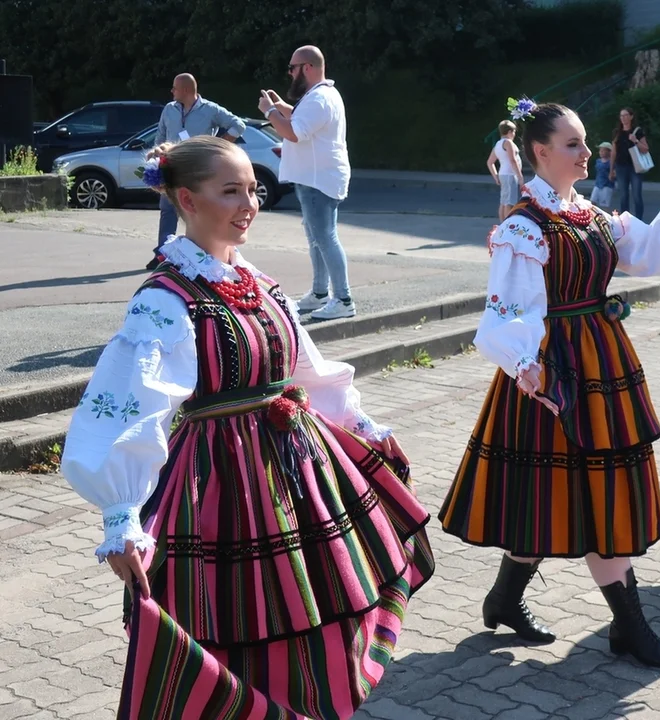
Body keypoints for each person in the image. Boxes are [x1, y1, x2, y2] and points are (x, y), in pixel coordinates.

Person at [60, 136, 433, 718]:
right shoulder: (164, 300)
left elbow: (305, 366)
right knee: (230, 618)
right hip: (220, 482)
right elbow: (134, 407)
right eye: (230, 190)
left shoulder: (255, 278)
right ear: (186, 198)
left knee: (314, 607)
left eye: (253, 189)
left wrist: (358, 421)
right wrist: (121, 515)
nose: (248, 203)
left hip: (295, 472)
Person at [438, 99, 660, 669]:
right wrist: (532, 373)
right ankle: (628, 628)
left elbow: (656, 249)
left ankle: (504, 600)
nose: (584, 153)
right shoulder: (523, 227)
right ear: (540, 152)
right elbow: (503, 314)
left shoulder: (595, 215)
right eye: (571, 145)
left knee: (563, 497)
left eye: (583, 142)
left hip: (600, 362)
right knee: (575, 496)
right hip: (554, 376)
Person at [259, 45, 355, 320]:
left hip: (317, 180)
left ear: (308, 68)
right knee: (317, 239)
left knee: (325, 239)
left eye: (293, 68)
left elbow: (293, 132)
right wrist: (281, 108)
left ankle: (343, 299)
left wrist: (269, 112)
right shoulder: (319, 96)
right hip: (316, 178)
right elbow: (302, 120)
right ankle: (320, 293)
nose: (290, 73)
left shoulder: (318, 98)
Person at [149, 73, 245, 270]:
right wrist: (157, 155)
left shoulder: (209, 109)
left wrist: (219, 145)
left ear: (185, 90)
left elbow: (238, 125)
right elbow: (160, 135)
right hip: (172, 164)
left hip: (200, 167)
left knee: (199, 210)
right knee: (168, 210)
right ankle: (162, 254)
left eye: (174, 88)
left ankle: (205, 254)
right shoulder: (169, 109)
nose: (171, 91)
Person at [609, 107, 648, 217]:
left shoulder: (638, 131)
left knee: (637, 196)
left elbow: (645, 148)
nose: (623, 118)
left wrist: (635, 140)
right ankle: (625, 221)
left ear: (631, 117)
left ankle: (639, 221)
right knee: (623, 196)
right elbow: (613, 152)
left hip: (635, 167)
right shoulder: (617, 132)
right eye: (621, 115)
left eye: (626, 115)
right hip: (621, 167)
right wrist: (611, 170)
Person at [487, 120, 525, 221]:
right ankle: (508, 224)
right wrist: (520, 176)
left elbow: (490, 162)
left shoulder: (498, 144)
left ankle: (503, 224)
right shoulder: (508, 143)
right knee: (509, 202)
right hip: (510, 174)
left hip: (503, 174)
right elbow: (513, 160)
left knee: (504, 201)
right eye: (514, 132)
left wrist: (496, 176)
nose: (514, 134)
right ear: (510, 132)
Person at [589, 141, 614, 210]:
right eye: (600, 150)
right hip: (597, 184)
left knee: (604, 206)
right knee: (592, 201)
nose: (601, 152)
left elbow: (614, 174)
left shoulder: (611, 163)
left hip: (607, 185)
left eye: (603, 150)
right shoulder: (598, 161)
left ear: (609, 152)